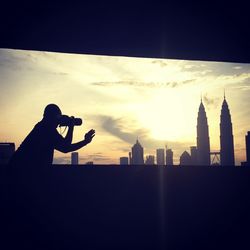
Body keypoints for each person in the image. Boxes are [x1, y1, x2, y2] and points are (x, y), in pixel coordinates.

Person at [9, 104, 95, 168]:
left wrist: (85, 141)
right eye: (58, 118)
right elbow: (66, 147)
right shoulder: (46, 129)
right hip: (22, 172)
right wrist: (71, 126)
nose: (58, 122)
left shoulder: (42, 127)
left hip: (21, 169)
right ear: (53, 117)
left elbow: (65, 147)